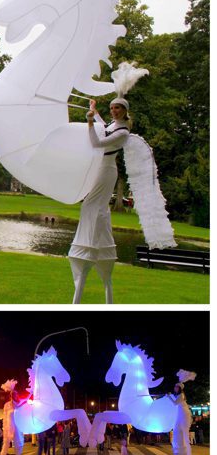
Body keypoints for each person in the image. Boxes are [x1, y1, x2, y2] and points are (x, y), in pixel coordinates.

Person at [69, 98, 131, 303]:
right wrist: (93, 110)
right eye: (112, 108)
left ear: (125, 111)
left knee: (92, 205)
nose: (114, 111)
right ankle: (101, 243)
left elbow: (96, 142)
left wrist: (88, 123)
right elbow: (103, 125)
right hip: (99, 168)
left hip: (106, 170)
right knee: (97, 208)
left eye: (118, 108)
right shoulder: (113, 125)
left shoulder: (123, 132)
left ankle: (89, 244)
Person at [167, 377, 195, 455]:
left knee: (180, 431)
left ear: (180, 388)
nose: (175, 388)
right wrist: (169, 396)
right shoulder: (179, 395)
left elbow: (174, 403)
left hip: (183, 415)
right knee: (177, 431)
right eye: (175, 386)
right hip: (180, 415)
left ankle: (181, 445)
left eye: (176, 387)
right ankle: (178, 445)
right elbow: (174, 402)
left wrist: (169, 396)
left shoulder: (181, 395)